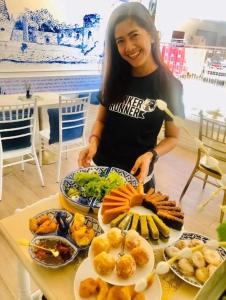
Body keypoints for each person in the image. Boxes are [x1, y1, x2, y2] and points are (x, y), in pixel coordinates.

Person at [78, 2, 184, 192]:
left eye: (134, 35)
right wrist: (93, 141)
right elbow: (101, 120)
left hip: (136, 179)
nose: (128, 47)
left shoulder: (171, 86)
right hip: (100, 172)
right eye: (120, 41)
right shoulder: (114, 78)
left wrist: (152, 154)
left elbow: (173, 137)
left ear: (151, 35)